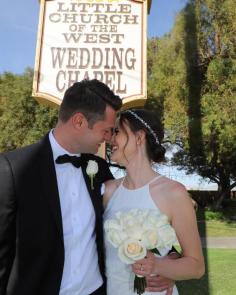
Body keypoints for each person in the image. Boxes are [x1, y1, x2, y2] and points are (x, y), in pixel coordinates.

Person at [0, 80, 174, 295]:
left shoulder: (99, 169)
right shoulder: (12, 169)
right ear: (79, 122)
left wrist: (169, 260)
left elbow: (136, 215)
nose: (109, 139)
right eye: (107, 130)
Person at [103, 109, 205, 295]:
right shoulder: (108, 191)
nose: (110, 139)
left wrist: (158, 266)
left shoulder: (174, 193)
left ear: (139, 137)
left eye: (117, 131)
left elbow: (196, 266)